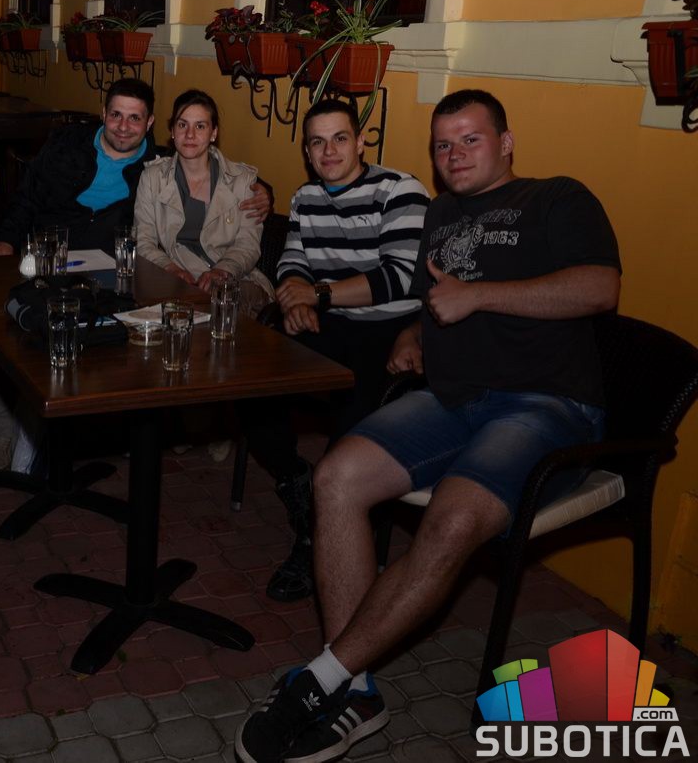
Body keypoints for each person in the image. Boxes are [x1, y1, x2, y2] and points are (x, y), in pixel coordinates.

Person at [235, 89, 621, 762]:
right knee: (336, 476)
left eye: (471, 139)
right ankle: (358, 689)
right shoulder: (441, 213)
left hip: (544, 404)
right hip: (451, 397)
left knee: (450, 517)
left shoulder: (557, 197)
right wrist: (415, 332)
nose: (455, 154)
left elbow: (599, 288)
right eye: (444, 144)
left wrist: (479, 297)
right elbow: (432, 295)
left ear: (506, 142)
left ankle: (322, 679)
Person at [240, 99, 429, 603]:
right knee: (248, 381)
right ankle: (296, 484)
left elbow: (399, 277)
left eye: (340, 138)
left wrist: (317, 295)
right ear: (306, 151)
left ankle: (317, 536)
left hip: (388, 331)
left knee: (348, 434)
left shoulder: (400, 190)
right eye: (317, 142)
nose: (329, 151)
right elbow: (292, 261)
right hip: (329, 322)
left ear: (361, 141)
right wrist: (295, 298)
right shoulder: (305, 197)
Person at [0, 78, 272, 257]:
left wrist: (264, 190)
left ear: (149, 123)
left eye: (134, 118)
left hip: (108, 267)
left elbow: (215, 169)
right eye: (116, 115)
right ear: (103, 114)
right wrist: (6, 240)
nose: (123, 127)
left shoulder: (155, 167)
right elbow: (27, 196)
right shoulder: (65, 144)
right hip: (48, 255)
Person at [133, 89, 274, 309]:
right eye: (182, 125)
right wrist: (169, 269)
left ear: (213, 133)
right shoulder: (153, 178)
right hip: (177, 282)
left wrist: (223, 270)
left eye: (200, 126)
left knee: (219, 302)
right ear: (172, 131)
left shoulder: (242, 181)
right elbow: (143, 241)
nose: (190, 135)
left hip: (235, 281)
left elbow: (248, 244)